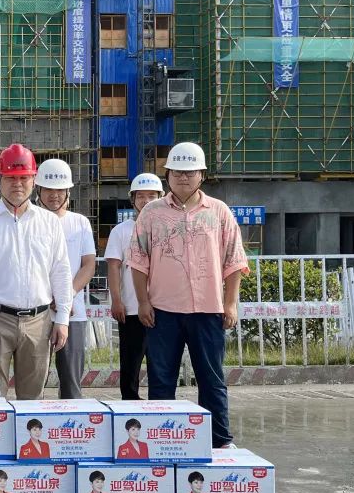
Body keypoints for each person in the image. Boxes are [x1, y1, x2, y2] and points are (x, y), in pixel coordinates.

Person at [128, 142, 249, 449]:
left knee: (211, 379)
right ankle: (162, 440)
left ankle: (220, 440)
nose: (183, 177)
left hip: (208, 310)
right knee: (161, 379)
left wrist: (231, 303)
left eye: (190, 172)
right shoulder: (151, 214)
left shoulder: (219, 212)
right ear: (167, 174)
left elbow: (234, 260)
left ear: (202, 175)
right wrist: (142, 301)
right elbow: (138, 261)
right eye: (177, 172)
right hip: (163, 311)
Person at [0, 144, 73, 400]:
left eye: (24, 178)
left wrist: (63, 319)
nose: (18, 184)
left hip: (38, 321)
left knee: (32, 400)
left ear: (34, 181)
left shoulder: (49, 223)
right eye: (11, 178)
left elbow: (61, 271)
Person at [36, 159, 95, 400]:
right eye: (49, 189)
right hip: (36, 314)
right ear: (38, 190)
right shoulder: (30, 221)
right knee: (33, 385)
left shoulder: (79, 223)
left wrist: (65, 297)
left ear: (68, 192)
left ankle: (71, 423)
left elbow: (88, 265)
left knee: (71, 385)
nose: (54, 195)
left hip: (73, 314)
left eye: (60, 189)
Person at [105, 173, 163, 400]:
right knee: (130, 362)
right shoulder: (120, 231)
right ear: (132, 199)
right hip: (130, 309)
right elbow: (113, 266)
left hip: (163, 308)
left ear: (161, 197)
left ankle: (160, 404)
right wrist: (116, 300)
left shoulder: (168, 229)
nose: (146, 201)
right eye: (140, 196)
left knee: (161, 363)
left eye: (151, 196)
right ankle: (129, 403)